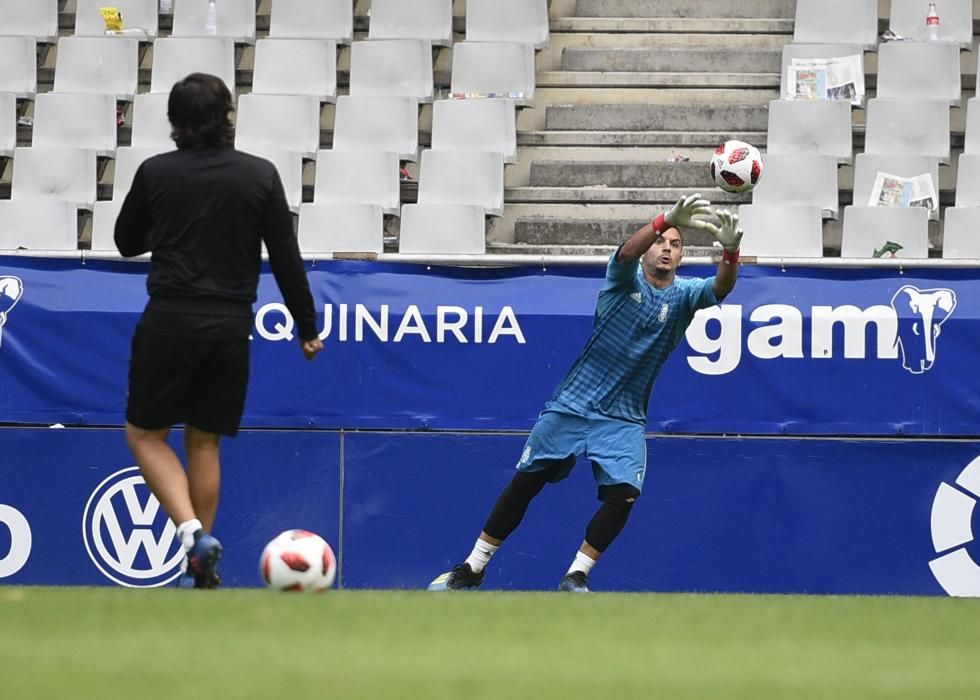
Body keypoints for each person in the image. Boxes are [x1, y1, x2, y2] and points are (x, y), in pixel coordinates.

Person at [429, 195, 743, 593]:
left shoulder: (685, 297)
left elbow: (721, 287)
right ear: (649, 248)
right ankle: (472, 568)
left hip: (624, 417)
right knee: (526, 483)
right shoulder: (622, 278)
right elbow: (628, 251)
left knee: (624, 495)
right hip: (573, 403)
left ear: (682, 257)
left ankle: (576, 575)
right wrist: (663, 221)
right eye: (661, 241)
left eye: (676, 244)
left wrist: (731, 252)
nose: (666, 248)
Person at [114, 73, 324, 589]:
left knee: (145, 434)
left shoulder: (156, 172)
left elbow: (125, 241)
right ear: (228, 115)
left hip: (169, 319)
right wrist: (306, 327)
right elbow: (285, 257)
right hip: (229, 327)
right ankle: (198, 565)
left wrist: (169, 222)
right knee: (204, 443)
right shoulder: (259, 175)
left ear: (174, 122)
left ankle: (190, 535)